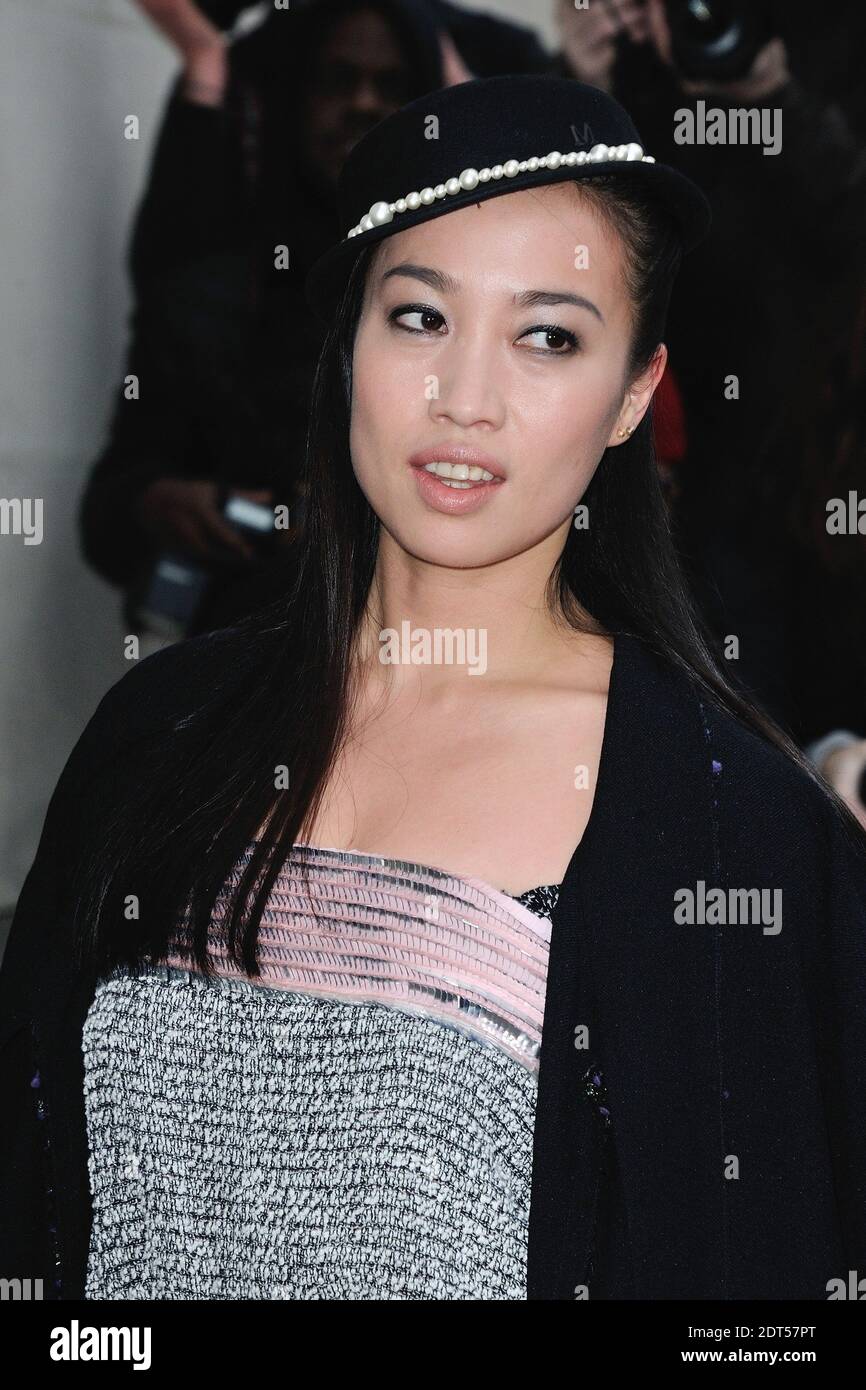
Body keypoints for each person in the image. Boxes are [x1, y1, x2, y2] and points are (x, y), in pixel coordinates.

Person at [3, 75, 866, 1301]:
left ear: (631, 394)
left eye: (547, 336)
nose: (465, 396)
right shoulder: (160, 726)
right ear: (346, 340)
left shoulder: (726, 826)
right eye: (418, 318)